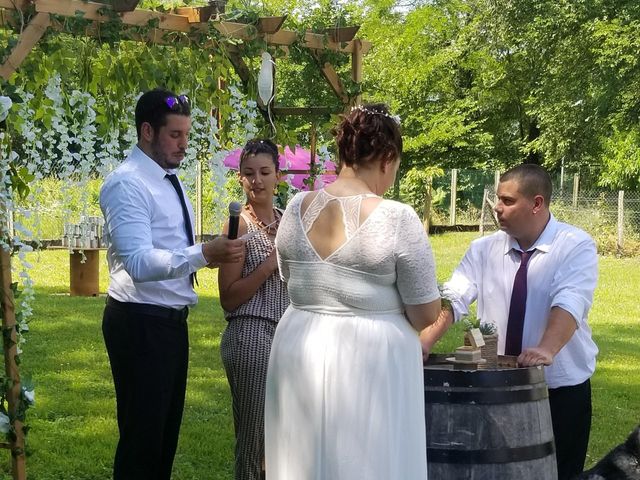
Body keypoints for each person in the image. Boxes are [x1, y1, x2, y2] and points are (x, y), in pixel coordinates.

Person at [265, 103, 441, 480]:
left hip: (300, 343)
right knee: (368, 460)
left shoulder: (295, 207)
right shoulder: (397, 218)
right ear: (387, 158)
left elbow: (287, 276)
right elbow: (426, 314)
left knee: (305, 457)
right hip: (369, 358)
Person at [100, 88, 245, 480]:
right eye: (174, 135)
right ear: (147, 131)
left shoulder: (167, 178)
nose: (184, 144)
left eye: (186, 134)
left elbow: (168, 247)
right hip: (139, 323)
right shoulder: (128, 184)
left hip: (167, 323)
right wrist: (203, 254)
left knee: (163, 439)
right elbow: (138, 262)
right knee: (142, 442)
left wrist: (205, 254)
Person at [420, 163, 598, 480]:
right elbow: (455, 296)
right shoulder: (482, 249)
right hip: (493, 389)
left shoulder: (575, 245)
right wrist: (426, 341)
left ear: (537, 203)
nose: (497, 209)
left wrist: (547, 348)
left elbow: (571, 300)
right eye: (498, 200)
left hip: (559, 393)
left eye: (507, 201)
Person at [218, 139, 290, 480]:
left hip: (288, 336)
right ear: (240, 179)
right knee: (255, 439)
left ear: (279, 176)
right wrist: (267, 267)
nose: (256, 181)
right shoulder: (238, 227)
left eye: (264, 172)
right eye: (249, 174)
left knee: (286, 435)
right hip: (251, 335)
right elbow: (228, 298)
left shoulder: (289, 222)